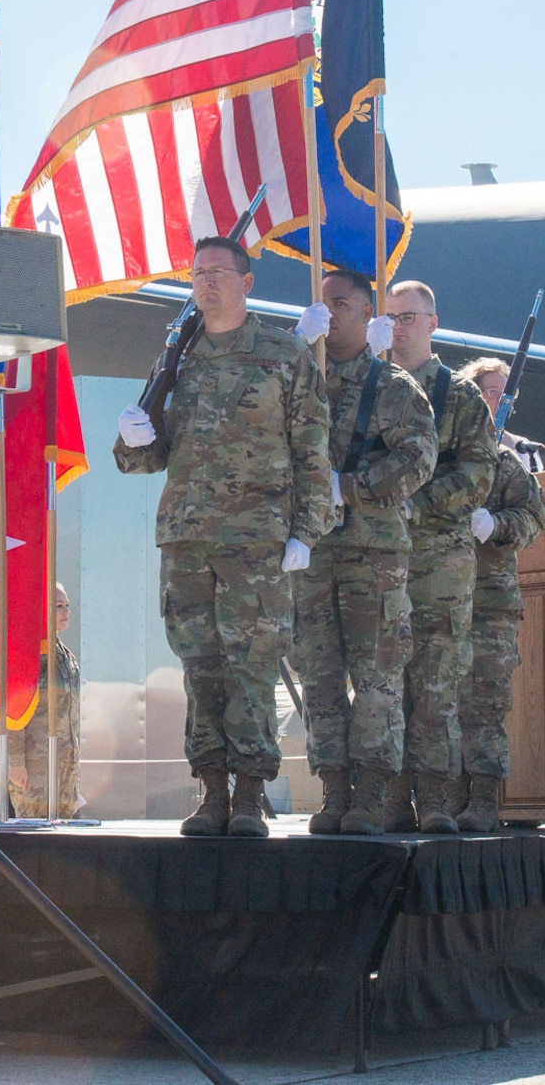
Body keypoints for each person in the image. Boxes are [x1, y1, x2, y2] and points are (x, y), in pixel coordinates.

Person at [115, 235, 334, 838]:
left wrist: (306, 533)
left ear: (247, 282)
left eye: (218, 272)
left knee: (253, 667)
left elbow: (313, 454)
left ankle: (249, 795)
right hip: (186, 537)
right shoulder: (177, 358)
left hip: (257, 541)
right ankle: (210, 792)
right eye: (197, 272)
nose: (206, 281)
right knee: (200, 669)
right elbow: (144, 456)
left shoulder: (283, 354)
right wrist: (132, 437)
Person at [288, 269, 435, 835]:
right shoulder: (301, 378)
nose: (331, 311)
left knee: (375, 677)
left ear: (366, 312)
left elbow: (418, 459)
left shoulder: (393, 386)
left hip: (372, 551)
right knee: (319, 675)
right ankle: (333, 790)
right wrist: (297, 345)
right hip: (313, 551)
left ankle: (372, 793)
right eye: (322, 303)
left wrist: (348, 487)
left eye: (342, 303)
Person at [380, 281, 497, 832]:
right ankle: (387, 797)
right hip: (376, 559)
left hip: (438, 563)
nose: (398, 326)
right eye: (391, 317)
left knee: (434, 683)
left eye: (408, 316)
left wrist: (418, 503)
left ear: (432, 322)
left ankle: (434, 799)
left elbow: (479, 471)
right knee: (382, 682)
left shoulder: (458, 395)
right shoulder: (371, 387)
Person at [452, 358, 545, 833]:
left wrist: (497, 525)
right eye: (488, 392)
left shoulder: (505, 460)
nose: (496, 401)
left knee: (485, 703)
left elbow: (534, 516)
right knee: (432, 702)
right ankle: (439, 797)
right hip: (436, 598)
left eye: (502, 393)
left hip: (488, 602)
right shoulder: (438, 452)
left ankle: (483, 799)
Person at [8, 583, 83, 819]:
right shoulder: (28, 651)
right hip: (36, 763)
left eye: (67, 606)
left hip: (65, 762)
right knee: (34, 835)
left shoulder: (64, 654)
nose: (66, 611)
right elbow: (13, 710)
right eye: (58, 606)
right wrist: (15, 761)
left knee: (63, 835)